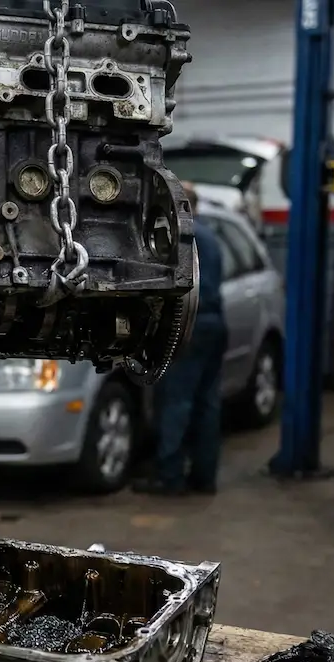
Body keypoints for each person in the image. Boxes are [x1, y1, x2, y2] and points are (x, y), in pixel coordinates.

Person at [133, 181, 227, 497]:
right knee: (207, 403)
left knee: (176, 402)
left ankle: (169, 478)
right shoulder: (213, 236)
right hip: (216, 324)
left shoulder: (179, 237)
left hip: (190, 325)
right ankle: (205, 477)